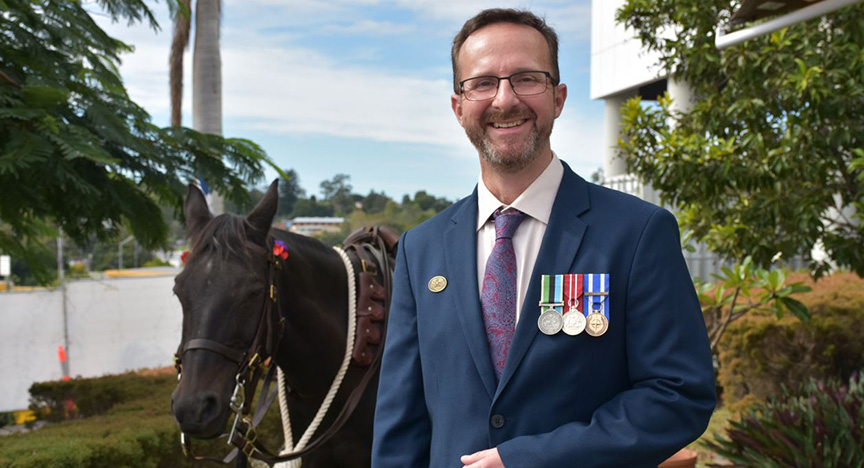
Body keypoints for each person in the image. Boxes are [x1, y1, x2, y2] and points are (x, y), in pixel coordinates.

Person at [371, 8, 716, 468]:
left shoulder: (636, 233)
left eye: (526, 78)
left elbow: (678, 395)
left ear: (558, 97)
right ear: (458, 107)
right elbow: (401, 424)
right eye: (483, 83)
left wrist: (528, 458)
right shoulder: (421, 249)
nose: (504, 99)